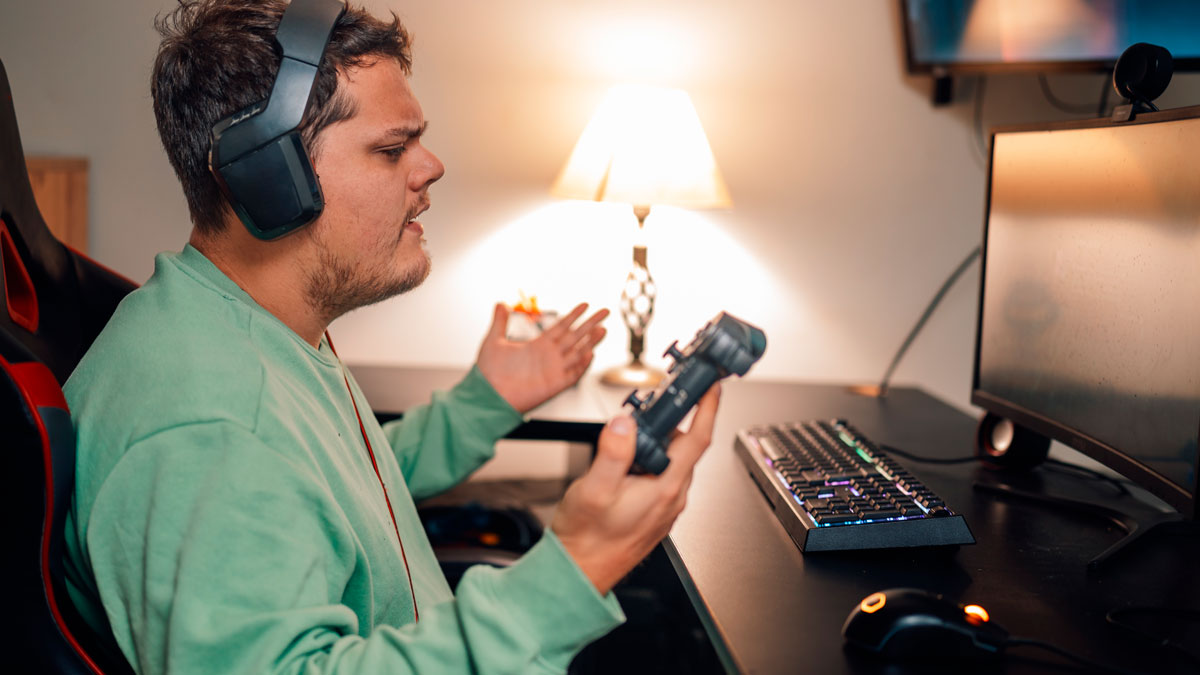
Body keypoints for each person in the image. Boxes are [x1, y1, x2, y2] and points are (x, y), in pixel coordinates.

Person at [62, 1, 721, 673]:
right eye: (391, 148)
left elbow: (332, 496)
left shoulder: (249, 331)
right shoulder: (210, 426)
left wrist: (485, 403)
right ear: (267, 177)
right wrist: (576, 566)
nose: (430, 166)